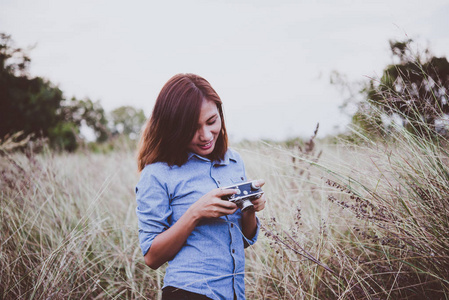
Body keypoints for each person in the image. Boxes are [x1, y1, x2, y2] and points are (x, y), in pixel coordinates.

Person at [135, 73, 266, 300]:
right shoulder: (156, 174)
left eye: (212, 121)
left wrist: (249, 208)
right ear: (173, 128)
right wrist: (196, 213)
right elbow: (152, 257)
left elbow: (241, 241)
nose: (206, 135)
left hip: (234, 293)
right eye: (192, 128)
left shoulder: (234, 161)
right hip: (188, 292)